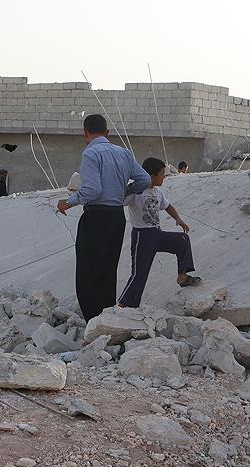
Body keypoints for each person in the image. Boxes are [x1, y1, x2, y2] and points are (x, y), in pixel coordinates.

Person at [57, 114, 151, 322]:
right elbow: (144, 179)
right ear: (107, 133)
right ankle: (108, 319)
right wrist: (125, 192)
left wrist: (68, 201)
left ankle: (93, 321)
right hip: (117, 217)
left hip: (96, 216)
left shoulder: (91, 153)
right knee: (108, 270)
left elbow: (91, 190)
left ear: (85, 133)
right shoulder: (123, 153)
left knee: (88, 272)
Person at [118, 157, 201, 308]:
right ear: (151, 175)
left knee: (182, 239)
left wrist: (178, 219)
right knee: (139, 274)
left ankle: (182, 276)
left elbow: (168, 206)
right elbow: (118, 200)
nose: (164, 176)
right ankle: (123, 305)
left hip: (157, 234)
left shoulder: (157, 192)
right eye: (162, 173)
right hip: (142, 237)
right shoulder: (136, 191)